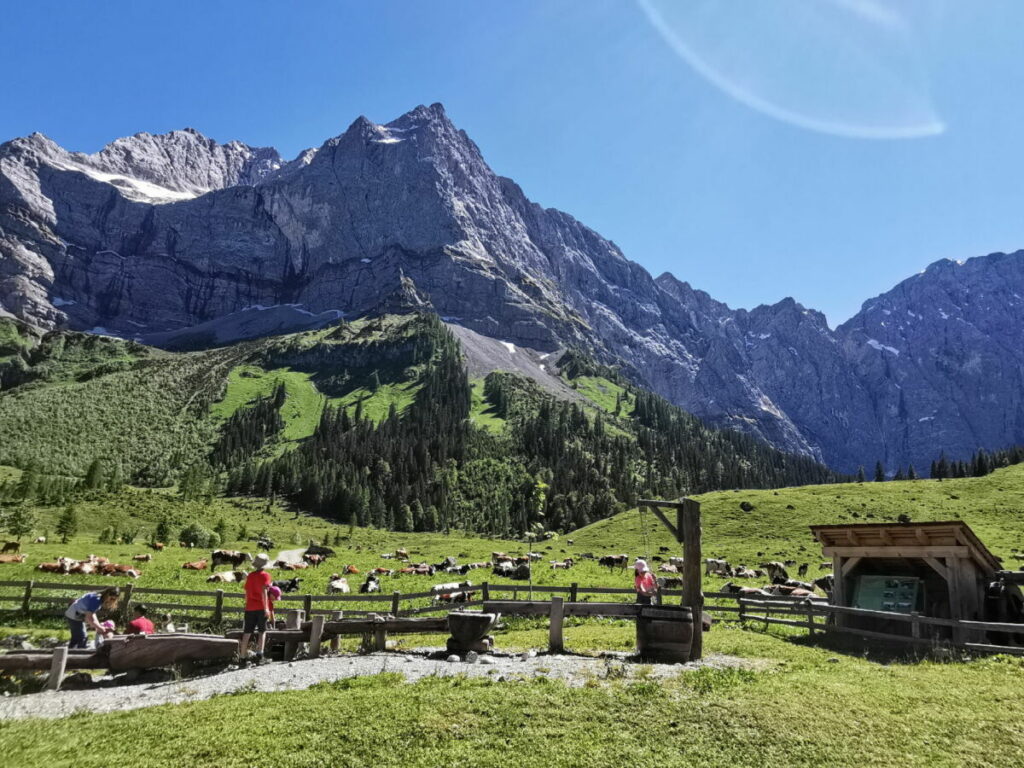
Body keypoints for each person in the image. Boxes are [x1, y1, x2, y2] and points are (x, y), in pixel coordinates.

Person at [238, 552, 272, 665]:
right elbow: (264, 592)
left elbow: (246, 593)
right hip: (261, 607)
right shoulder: (265, 576)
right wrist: (266, 608)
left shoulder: (250, 576)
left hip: (249, 608)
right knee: (262, 632)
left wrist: (247, 605)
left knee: (247, 633)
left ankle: (242, 658)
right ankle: (259, 656)